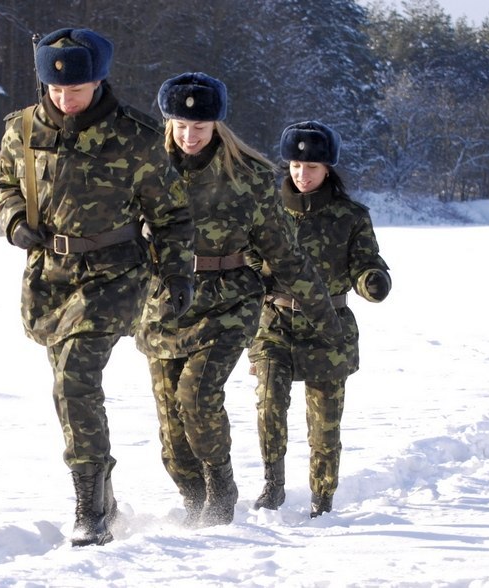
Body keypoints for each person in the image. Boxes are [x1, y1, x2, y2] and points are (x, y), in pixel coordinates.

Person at [0, 28, 195, 547]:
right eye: (56, 89)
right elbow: (2, 181)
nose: (64, 97)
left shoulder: (138, 137)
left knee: (75, 377)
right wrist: (14, 220)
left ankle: (90, 507)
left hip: (115, 273)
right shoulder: (23, 128)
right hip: (49, 279)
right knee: (68, 386)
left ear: (100, 79)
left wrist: (176, 276)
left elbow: (171, 216)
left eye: (75, 88)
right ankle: (102, 490)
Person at [135, 73, 343, 528]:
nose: (191, 136)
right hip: (163, 302)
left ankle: (221, 488)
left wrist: (325, 318)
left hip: (228, 299)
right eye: (182, 125)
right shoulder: (143, 167)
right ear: (168, 122)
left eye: (201, 127)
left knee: (198, 394)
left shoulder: (247, 177)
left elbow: (284, 254)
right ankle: (194, 496)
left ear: (218, 126)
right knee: (172, 434)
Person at [248, 120, 391, 518]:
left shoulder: (350, 216)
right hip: (274, 321)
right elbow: (246, 258)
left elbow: (366, 263)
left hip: (328, 324)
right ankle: (273, 485)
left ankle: (321, 498)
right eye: (295, 165)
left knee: (325, 421)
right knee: (269, 402)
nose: (302, 173)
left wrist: (372, 281)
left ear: (328, 169)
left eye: (311, 167)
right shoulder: (266, 208)